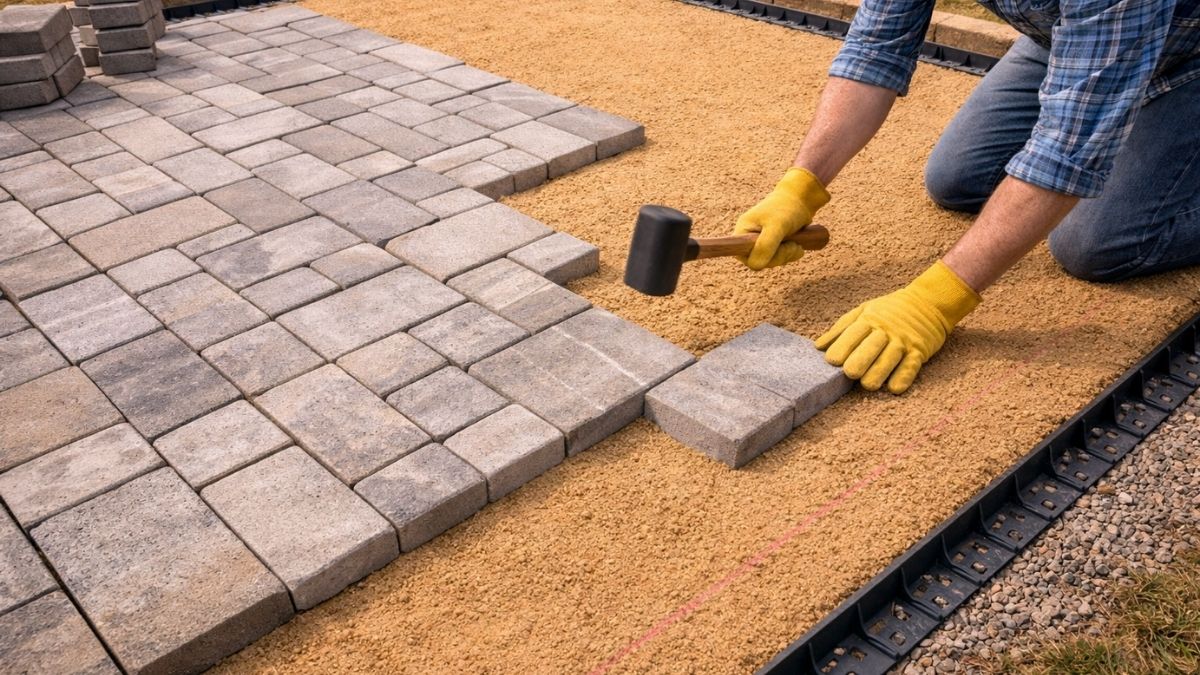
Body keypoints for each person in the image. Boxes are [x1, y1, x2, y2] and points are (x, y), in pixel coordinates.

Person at [735, 0, 1200, 394]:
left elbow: (1068, 148)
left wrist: (936, 300)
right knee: (957, 180)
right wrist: (801, 186)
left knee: (1095, 245)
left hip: (1189, 56)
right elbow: (875, 50)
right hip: (1063, 40)